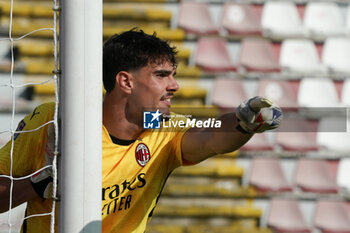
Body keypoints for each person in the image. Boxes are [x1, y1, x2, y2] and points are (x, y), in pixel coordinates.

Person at [0, 28, 282, 233]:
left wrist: (244, 122)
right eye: (162, 75)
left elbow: (210, 136)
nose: (174, 86)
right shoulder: (57, 120)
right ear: (125, 82)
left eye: (173, 75)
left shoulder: (163, 128)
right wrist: (38, 185)